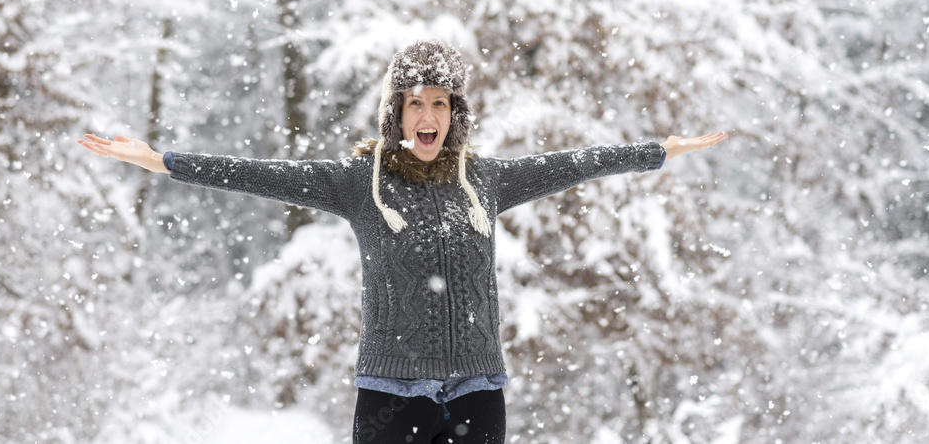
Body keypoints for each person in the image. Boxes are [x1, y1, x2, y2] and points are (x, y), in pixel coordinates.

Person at [78, 39, 727, 444]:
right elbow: (260, 176)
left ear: (455, 114)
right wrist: (164, 162)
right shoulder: (358, 185)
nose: (428, 117)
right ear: (396, 113)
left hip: (478, 395)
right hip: (391, 398)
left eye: (441, 104)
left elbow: (575, 163)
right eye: (416, 103)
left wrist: (657, 151)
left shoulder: (487, 180)